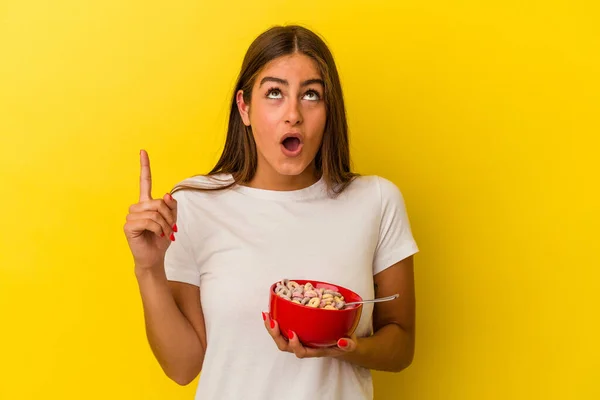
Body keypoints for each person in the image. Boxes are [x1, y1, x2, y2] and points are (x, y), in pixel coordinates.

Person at [124, 24, 419, 400]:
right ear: (245, 107)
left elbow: (401, 346)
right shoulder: (194, 205)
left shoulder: (375, 201)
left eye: (311, 95)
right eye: (275, 93)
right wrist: (148, 269)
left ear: (329, 111)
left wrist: (344, 346)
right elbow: (183, 367)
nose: (293, 114)